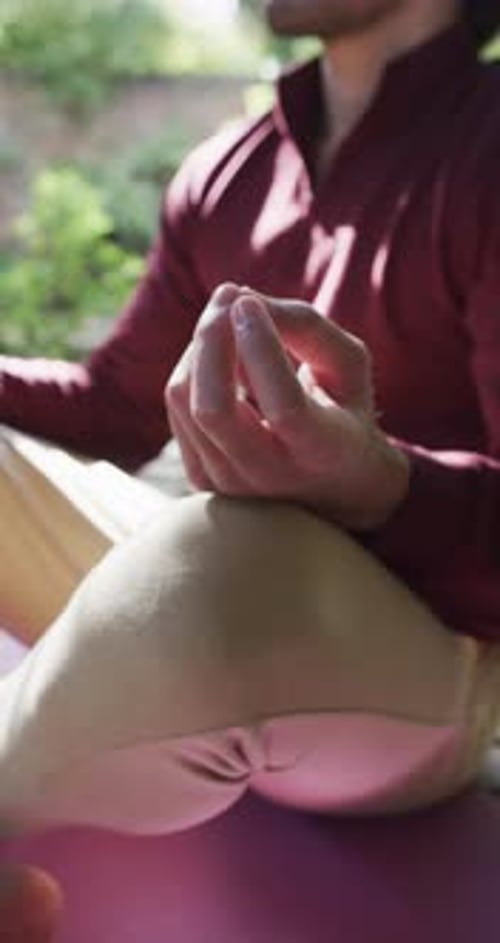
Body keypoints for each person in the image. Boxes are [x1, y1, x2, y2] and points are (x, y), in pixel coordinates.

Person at [2, 0, 500, 933]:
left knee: (216, 547)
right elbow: (113, 407)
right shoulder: (229, 169)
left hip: (436, 672)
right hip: (215, 599)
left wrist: (375, 483)